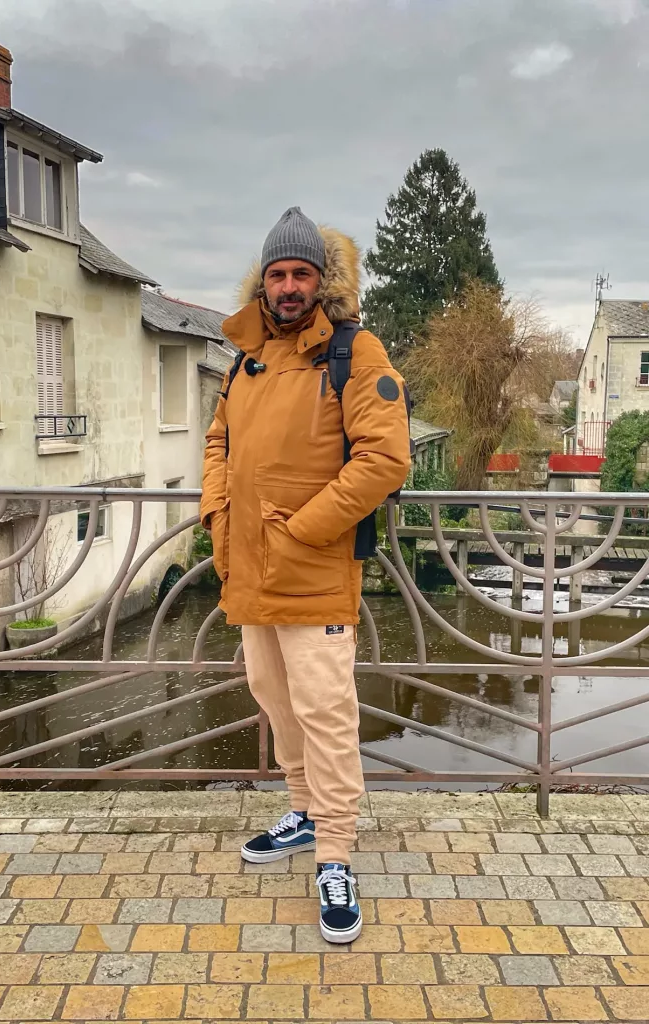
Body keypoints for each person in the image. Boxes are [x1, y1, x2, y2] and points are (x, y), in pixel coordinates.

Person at [200, 207, 411, 943]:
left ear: (324, 282)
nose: (289, 286)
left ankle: (336, 854)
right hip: (249, 569)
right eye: (278, 273)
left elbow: (385, 460)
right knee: (274, 697)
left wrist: (304, 530)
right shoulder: (245, 357)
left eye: (302, 273)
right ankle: (303, 809)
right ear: (263, 280)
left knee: (325, 712)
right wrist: (217, 517)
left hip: (315, 572)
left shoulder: (355, 352)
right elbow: (218, 439)